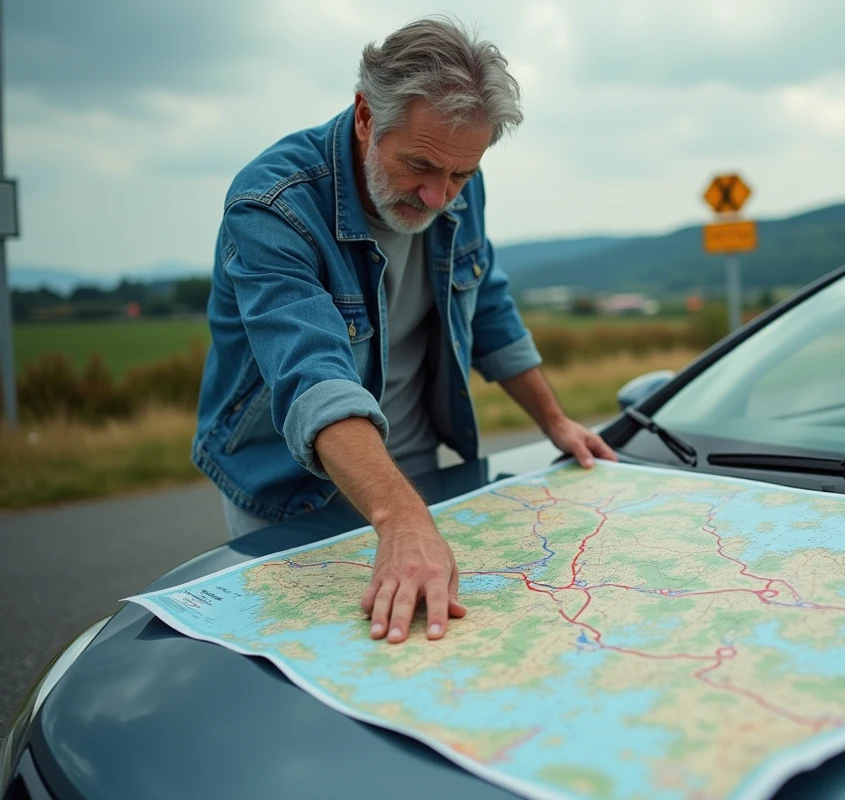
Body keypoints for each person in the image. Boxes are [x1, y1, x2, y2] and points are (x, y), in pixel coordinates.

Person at [192, 16, 616, 647]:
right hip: (291, 486)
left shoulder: (453, 173)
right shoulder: (271, 205)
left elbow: (489, 303)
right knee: (311, 665)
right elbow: (313, 375)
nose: (439, 195)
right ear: (366, 115)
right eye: (420, 165)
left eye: (461, 176)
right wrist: (400, 518)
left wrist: (554, 421)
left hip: (416, 474)